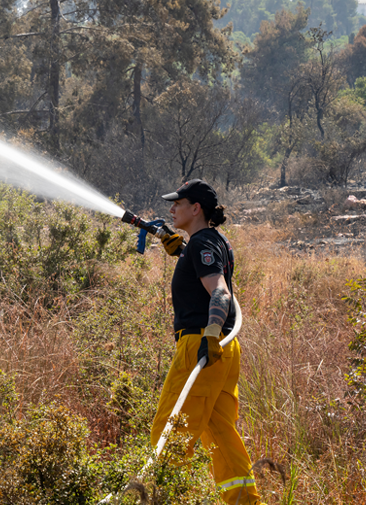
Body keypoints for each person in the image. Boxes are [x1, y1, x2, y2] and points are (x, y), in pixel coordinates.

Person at [152, 179, 262, 505]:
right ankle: (245, 501)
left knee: (170, 430)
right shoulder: (210, 242)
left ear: (196, 208)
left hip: (203, 345)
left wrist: (211, 334)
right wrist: (182, 252)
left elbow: (220, 291)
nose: (172, 209)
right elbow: (207, 273)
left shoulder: (201, 243)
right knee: (220, 433)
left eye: (178, 203)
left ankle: (162, 497)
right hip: (224, 350)